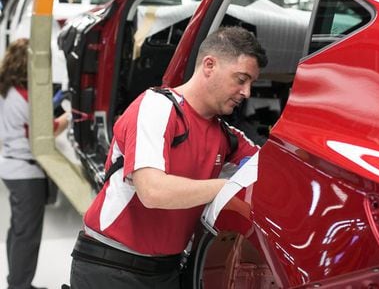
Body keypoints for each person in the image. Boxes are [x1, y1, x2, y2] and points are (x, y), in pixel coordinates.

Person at [69, 26, 268, 289]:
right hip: (113, 267)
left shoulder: (227, 136)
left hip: (167, 271)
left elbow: (269, 169)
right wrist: (230, 188)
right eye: (241, 79)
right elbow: (152, 191)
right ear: (209, 65)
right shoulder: (157, 107)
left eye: (251, 83)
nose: (247, 92)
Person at [0, 38, 69, 289]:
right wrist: (70, 115)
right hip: (27, 172)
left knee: (18, 230)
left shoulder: (6, 90)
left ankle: (16, 281)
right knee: (27, 235)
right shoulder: (30, 96)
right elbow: (48, 131)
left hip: (10, 165)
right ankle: (19, 286)